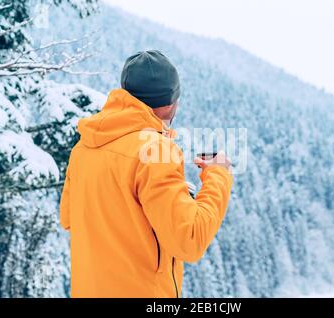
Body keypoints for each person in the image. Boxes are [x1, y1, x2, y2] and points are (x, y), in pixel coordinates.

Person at [60, 50, 233, 298]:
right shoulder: (156, 151)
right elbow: (190, 240)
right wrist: (218, 175)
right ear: (172, 103)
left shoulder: (84, 148)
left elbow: (69, 218)